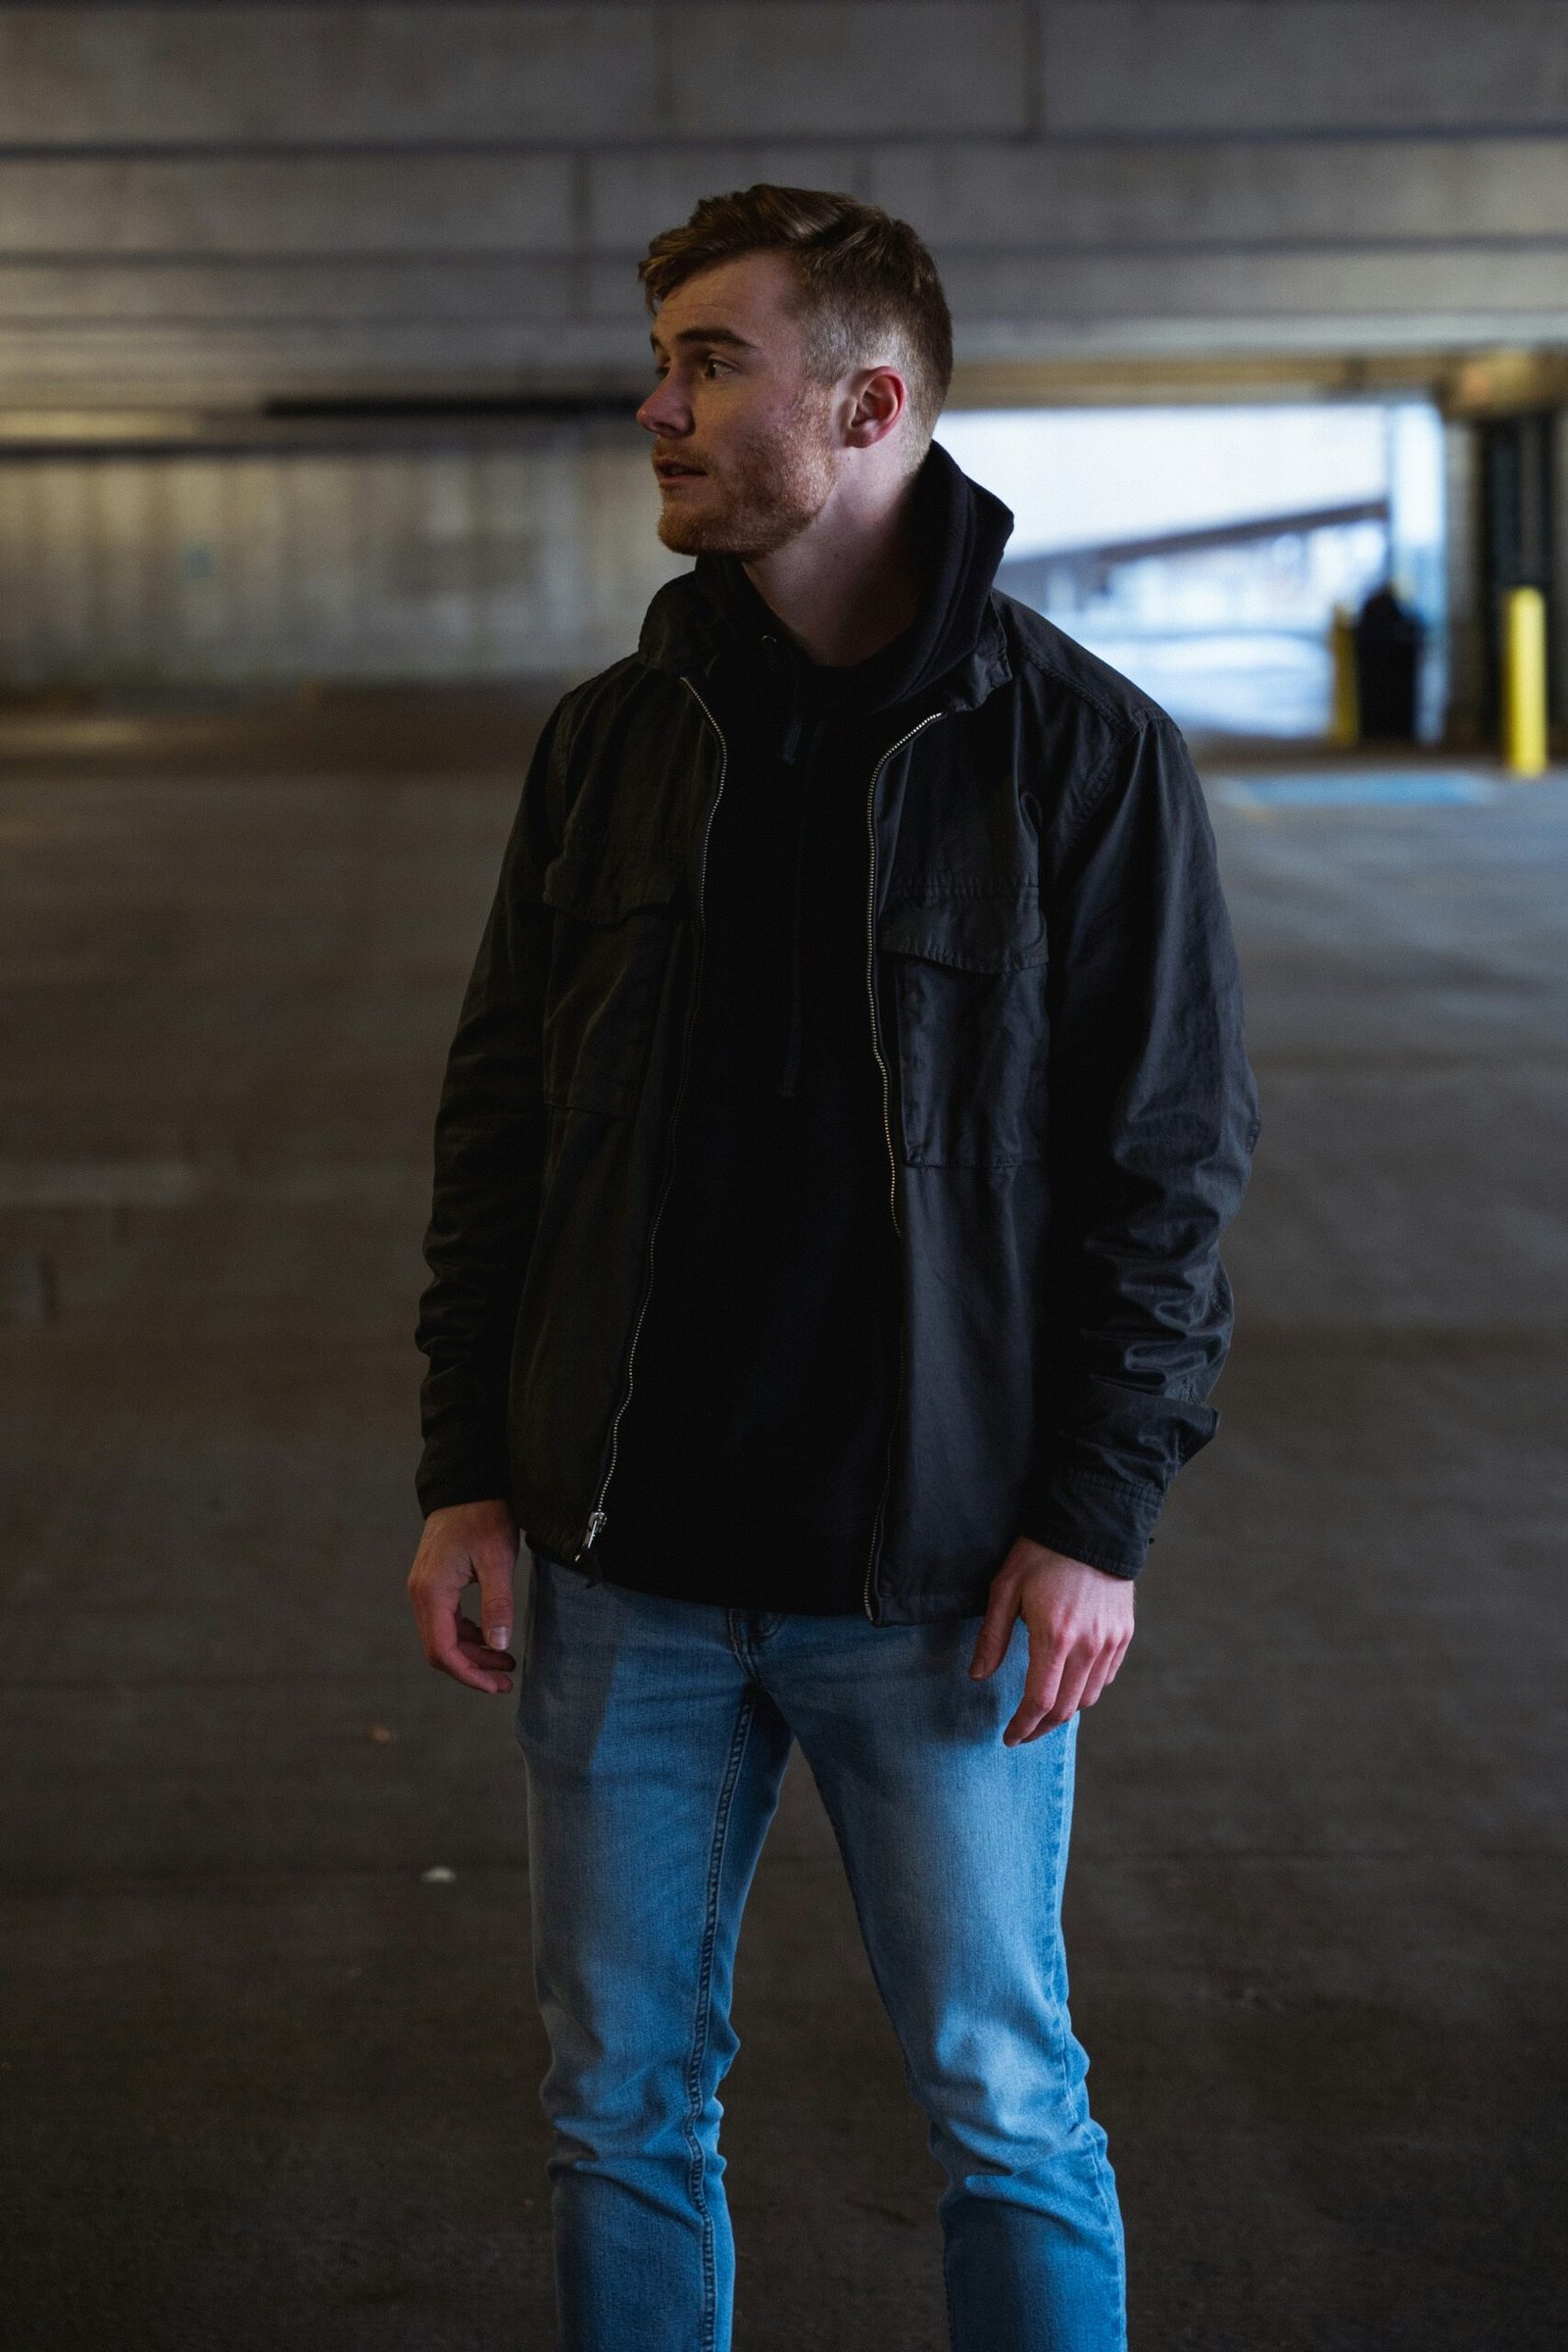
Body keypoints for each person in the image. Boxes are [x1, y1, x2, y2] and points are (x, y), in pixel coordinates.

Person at [409, 185, 1258, 2352]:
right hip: (623, 1567)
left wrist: (1092, 1521)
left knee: (998, 2096)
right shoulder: (609, 747)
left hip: (943, 1578)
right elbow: (499, 1125)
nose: (654, 404)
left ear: (865, 404)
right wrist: (462, 1466)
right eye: (663, 358)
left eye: (711, 360)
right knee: (614, 2105)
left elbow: (1163, 1176)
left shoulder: (1079, 757)